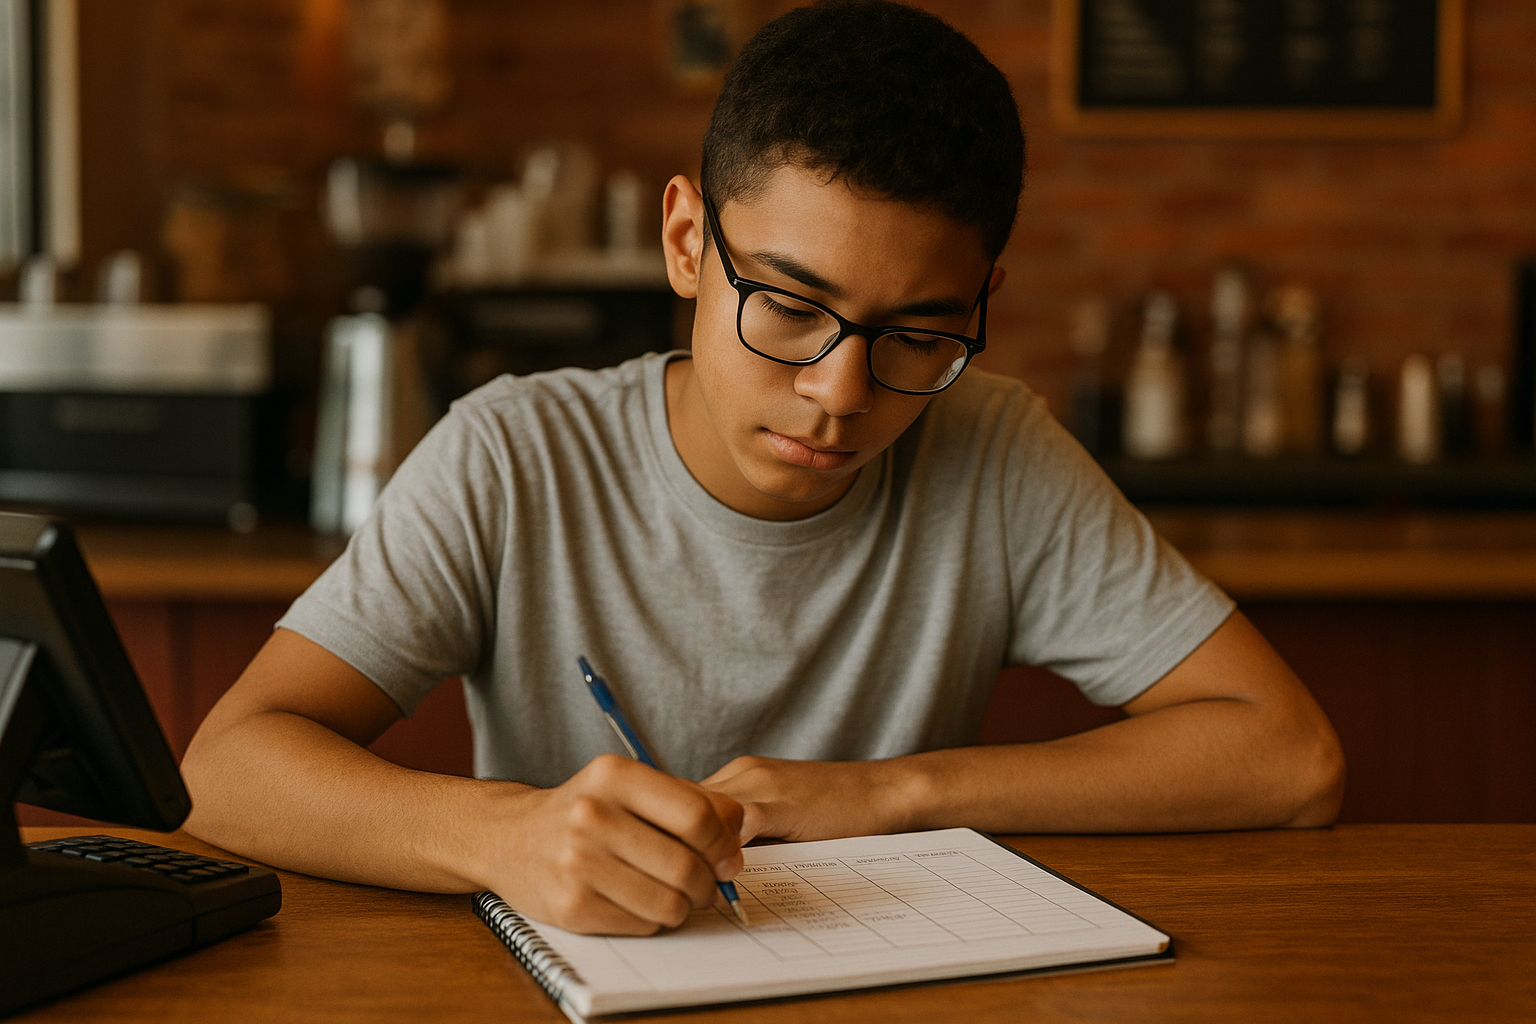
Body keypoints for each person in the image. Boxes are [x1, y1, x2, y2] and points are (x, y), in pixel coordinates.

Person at [181, 0, 1344, 937]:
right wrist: (503, 836)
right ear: (688, 243)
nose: (841, 392)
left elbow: (1289, 758)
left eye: (919, 333)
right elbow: (229, 767)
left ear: (984, 301)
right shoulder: (513, 452)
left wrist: (897, 792)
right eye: (790, 306)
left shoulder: (992, 446)